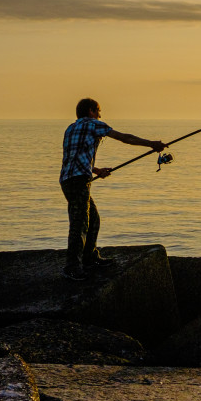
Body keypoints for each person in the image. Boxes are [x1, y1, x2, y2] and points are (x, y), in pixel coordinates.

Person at [59, 98, 166, 281]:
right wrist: (151, 144)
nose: (100, 115)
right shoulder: (94, 124)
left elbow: (74, 156)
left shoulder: (70, 128)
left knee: (93, 218)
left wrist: (96, 170)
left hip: (68, 180)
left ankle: (90, 257)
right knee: (80, 223)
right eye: (98, 111)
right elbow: (125, 138)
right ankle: (72, 267)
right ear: (91, 111)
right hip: (79, 181)